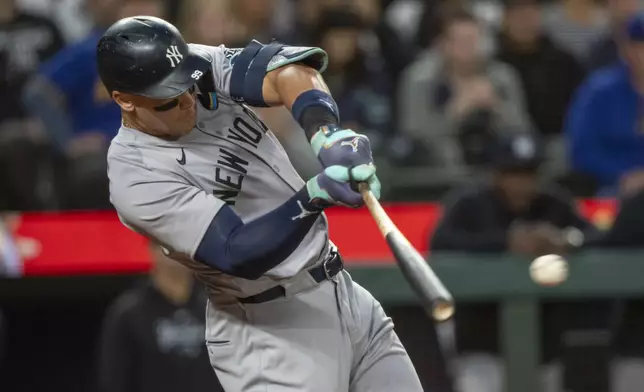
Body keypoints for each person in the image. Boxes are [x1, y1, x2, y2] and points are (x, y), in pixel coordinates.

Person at [99, 15, 421, 392]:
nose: (188, 100)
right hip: (270, 329)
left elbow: (289, 72)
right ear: (124, 100)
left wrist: (325, 135)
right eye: (169, 99)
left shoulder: (191, 65)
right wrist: (315, 194)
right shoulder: (134, 176)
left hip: (340, 288)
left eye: (186, 85)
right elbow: (237, 252)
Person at [97, 243, 224, 392]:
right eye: (166, 243)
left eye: (182, 243)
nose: (176, 252)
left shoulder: (219, 310)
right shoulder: (129, 314)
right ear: (152, 250)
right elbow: (114, 382)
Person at [565, 11, 644, 196]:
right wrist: (623, 176)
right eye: (638, 46)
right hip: (611, 187)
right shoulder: (599, 90)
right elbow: (582, 150)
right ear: (624, 49)